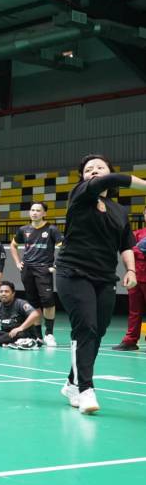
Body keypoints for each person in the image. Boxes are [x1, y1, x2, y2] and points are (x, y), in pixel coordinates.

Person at [55, 154, 146, 414]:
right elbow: (109, 180)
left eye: (99, 167)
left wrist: (131, 270)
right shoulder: (80, 194)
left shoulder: (119, 211)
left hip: (105, 277)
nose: (93, 171)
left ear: (109, 171)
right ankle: (86, 389)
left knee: (98, 330)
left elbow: (125, 244)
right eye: (88, 169)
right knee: (86, 327)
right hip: (73, 272)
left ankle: (71, 383)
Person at [11, 202, 63, 347]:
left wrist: (55, 266)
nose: (34, 213)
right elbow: (13, 245)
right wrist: (17, 262)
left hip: (43, 269)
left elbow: (63, 248)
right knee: (33, 303)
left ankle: (49, 334)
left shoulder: (52, 229)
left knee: (48, 301)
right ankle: (38, 335)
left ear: (44, 213)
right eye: (32, 210)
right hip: (27, 269)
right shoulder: (23, 229)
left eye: (38, 210)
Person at [113, 208, 146, 351]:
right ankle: (130, 340)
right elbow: (128, 250)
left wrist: (136, 249)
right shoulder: (137, 233)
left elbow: (133, 250)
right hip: (136, 278)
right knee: (134, 311)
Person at [0, 282, 40, 349]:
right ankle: (6, 342)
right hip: (7, 334)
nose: (3, 294)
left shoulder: (20, 303)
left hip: (23, 333)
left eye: (6, 291)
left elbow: (35, 314)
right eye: (1, 291)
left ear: (13, 293)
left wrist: (20, 328)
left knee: (18, 334)